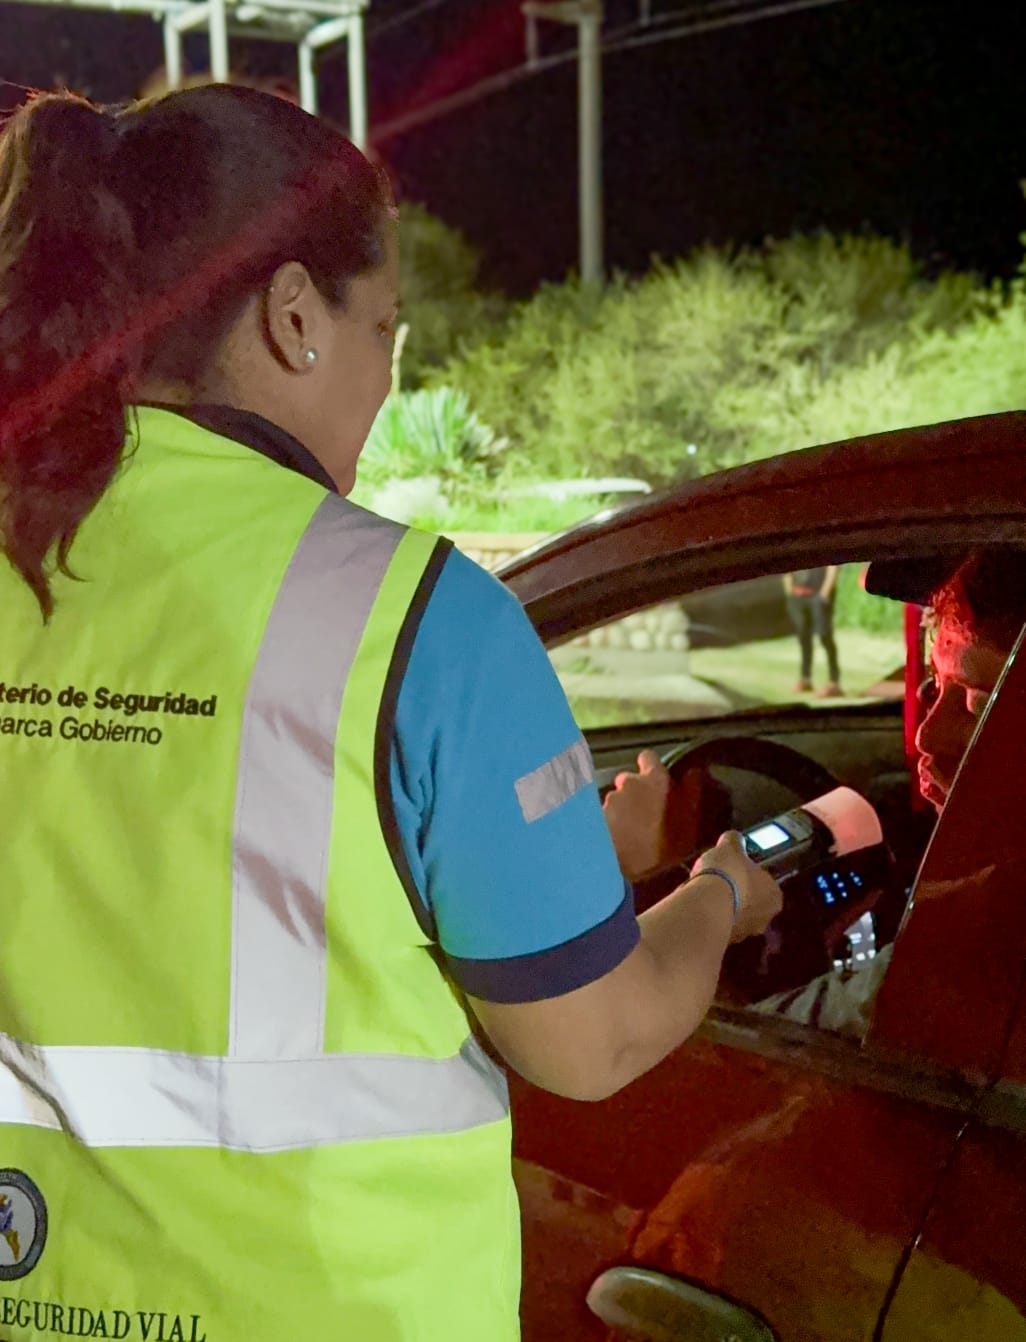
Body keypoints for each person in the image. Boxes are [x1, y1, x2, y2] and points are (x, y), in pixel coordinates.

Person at [0, 86, 781, 1338]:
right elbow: (595, 1043)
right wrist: (723, 896)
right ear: (295, 316)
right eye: (390, 330)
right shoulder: (419, 618)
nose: (386, 375)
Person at [753, 547, 1026, 1034]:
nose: (927, 736)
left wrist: (686, 904)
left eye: (983, 707)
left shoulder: (988, 939)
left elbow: (750, 1049)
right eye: (933, 686)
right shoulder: (991, 893)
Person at [784, 565, 842, 696]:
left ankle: (834, 683)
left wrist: (825, 591)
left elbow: (833, 565)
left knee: (824, 636)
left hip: (819, 593)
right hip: (798, 593)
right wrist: (789, 588)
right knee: (803, 637)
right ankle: (806, 679)